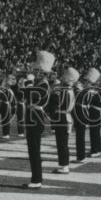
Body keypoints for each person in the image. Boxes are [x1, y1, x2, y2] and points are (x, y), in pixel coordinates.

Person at [23, 50, 54, 189]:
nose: (34, 72)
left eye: (36, 70)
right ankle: (35, 178)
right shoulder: (39, 84)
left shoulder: (43, 85)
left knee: (34, 150)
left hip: (36, 117)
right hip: (32, 116)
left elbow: (32, 95)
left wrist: (29, 82)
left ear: (42, 72)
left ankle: (37, 179)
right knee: (32, 150)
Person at [51, 67, 78, 173]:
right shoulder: (69, 90)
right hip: (66, 117)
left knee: (62, 143)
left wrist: (53, 94)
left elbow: (56, 103)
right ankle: (64, 164)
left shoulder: (64, 90)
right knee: (62, 142)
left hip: (62, 117)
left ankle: (65, 166)